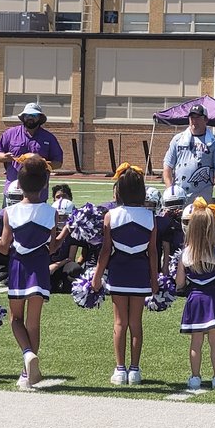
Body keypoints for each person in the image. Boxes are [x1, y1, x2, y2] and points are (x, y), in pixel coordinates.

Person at [0, 156, 57, 390]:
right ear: (45, 185)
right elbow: (52, 248)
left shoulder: (9, 212)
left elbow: (3, 246)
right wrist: (63, 236)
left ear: (19, 185)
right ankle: (27, 373)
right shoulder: (50, 212)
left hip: (18, 270)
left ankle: (27, 354)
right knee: (34, 323)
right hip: (40, 270)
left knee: (15, 319)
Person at [92, 163, 158, 386]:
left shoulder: (111, 216)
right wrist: (154, 279)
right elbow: (153, 253)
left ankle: (120, 370)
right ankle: (135, 370)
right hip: (140, 275)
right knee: (136, 323)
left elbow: (105, 250)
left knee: (119, 323)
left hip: (119, 273)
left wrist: (97, 276)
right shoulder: (150, 217)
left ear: (118, 190)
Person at [176, 198, 215, 390]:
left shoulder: (186, 253)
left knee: (196, 342)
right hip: (213, 299)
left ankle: (195, 378)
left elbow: (180, 283)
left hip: (194, 300)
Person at [0, 102, 64, 203]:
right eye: (27, 115)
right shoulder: (10, 134)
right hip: (13, 191)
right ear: (23, 117)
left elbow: (58, 162)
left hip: (38, 193)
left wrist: (43, 163)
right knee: (9, 218)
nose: (30, 118)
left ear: (39, 118)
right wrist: (5, 157)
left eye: (34, 115)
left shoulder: (49, 138)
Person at [163, 103, 215, 206]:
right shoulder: (178, 140)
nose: (194, 120)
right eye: (192, 117)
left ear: (205, 119)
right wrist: (170, 191)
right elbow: (167, 167)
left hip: (203, 200)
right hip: (179, 198)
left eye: (197, 117)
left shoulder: (214, 142)